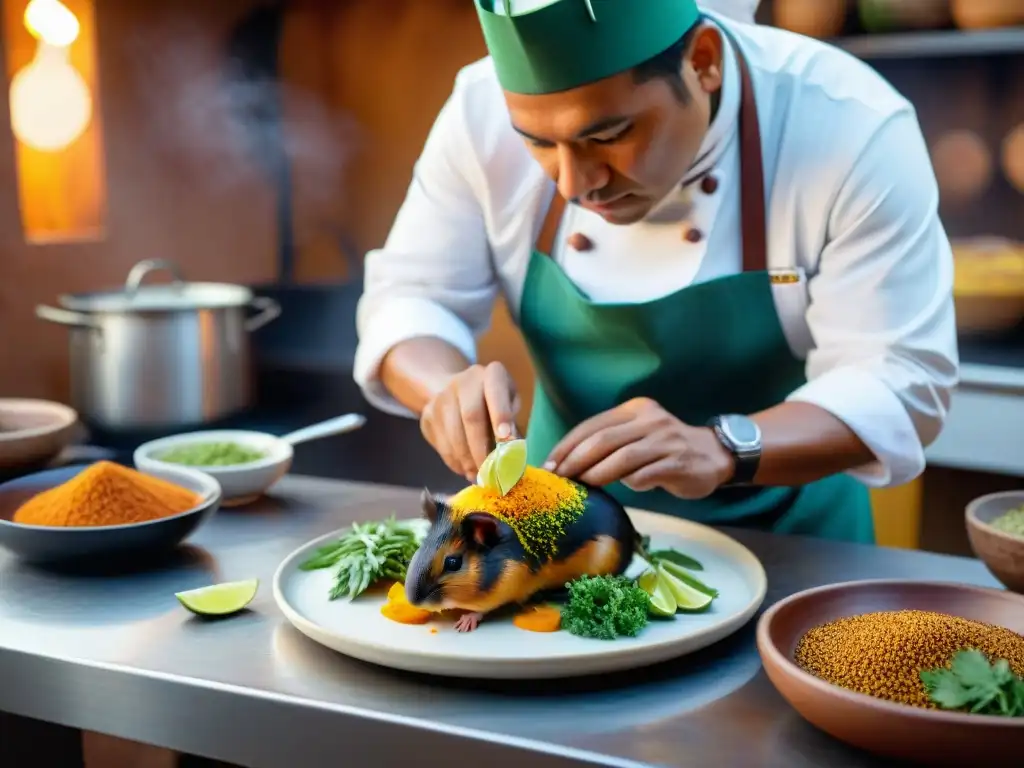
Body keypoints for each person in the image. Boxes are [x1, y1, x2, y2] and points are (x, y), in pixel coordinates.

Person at [353, 0, 959, 544]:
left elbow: (899, 378)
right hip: (565, 538)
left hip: (796, 541)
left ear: (703, 62)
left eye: (610, 134)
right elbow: (411, 297)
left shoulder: (846, 124)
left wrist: (722, 446)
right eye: (538, 143)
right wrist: (443, 389)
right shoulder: (478, 110)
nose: (573, 183)